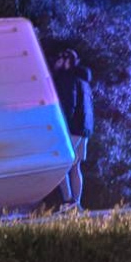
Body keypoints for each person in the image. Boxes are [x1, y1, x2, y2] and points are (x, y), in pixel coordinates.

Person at [51, 48, 93, 209]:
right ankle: (77, 202)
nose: (57, 63)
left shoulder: (67, 78)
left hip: (72, 128)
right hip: (85, 129)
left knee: (60, 164)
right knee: (75, 166)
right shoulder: (83, 80)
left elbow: (70, 104)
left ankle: (68, 201)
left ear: (67, 61)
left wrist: (62, 125)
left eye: (60, 60)